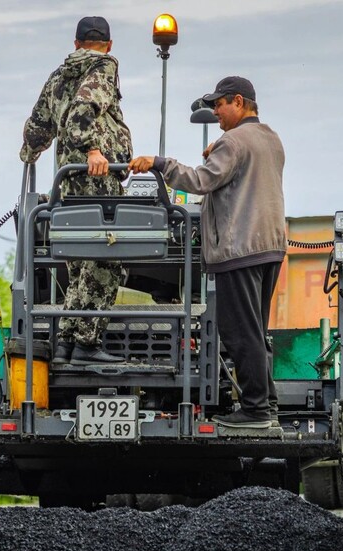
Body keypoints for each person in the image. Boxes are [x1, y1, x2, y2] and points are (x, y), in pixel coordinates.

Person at [130, 76, 286, 429]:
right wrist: (219, 150)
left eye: (219, 105)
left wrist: (159, 163)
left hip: (239, 250)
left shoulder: (231, 143)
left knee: (238, 331)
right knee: (257, 329)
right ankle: (268, 404)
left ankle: (256, 410)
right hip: (269, 248)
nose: (215, 111)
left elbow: (200, 181)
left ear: (238, 102)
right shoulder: (270, 139)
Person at [20, 16, 133, 365]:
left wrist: (30, 152)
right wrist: (91, 150)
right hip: (98, 183)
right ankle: (87, 344)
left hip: (68, 187)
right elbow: (83, 109)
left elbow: (38, 126)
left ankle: (66, 343)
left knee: (79, 266)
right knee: (107, 261)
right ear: (109, 45)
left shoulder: (58, 76)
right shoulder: (104, 66)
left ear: (75, 43)